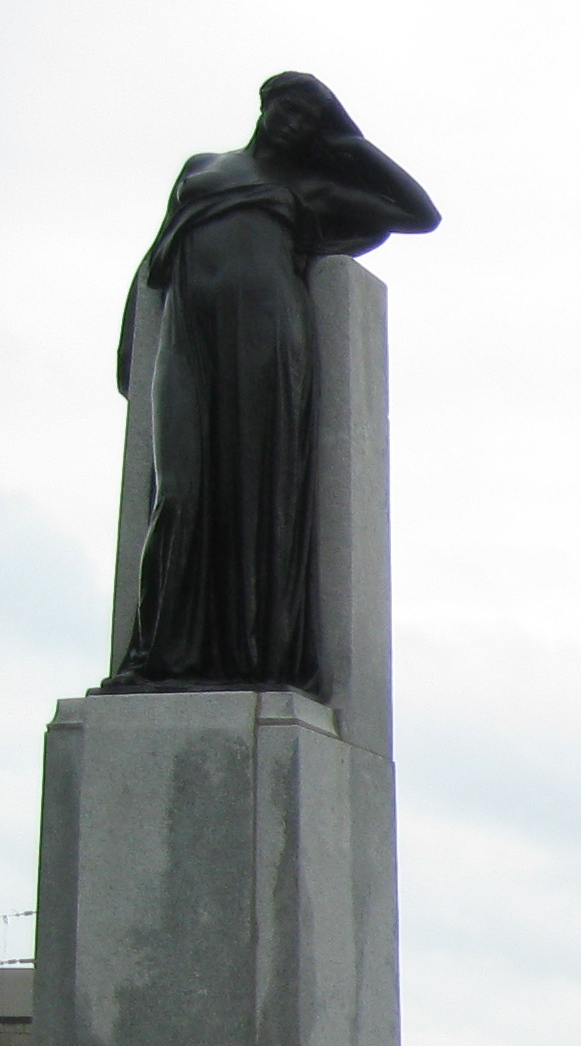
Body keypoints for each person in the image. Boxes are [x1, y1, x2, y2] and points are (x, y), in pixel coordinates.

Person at [112, 73, 438, 695]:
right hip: (188, 337)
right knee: (178, 488)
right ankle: (160, 656)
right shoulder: (203, 167)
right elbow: (158, 253)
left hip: (265, 338)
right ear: (264, 107)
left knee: (255, 488)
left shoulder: (311, 186)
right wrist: (133, 333)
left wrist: (349, 142)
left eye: (309, 119)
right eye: (287, 109)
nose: (293, 123)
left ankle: (251, 657)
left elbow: (420, 214)